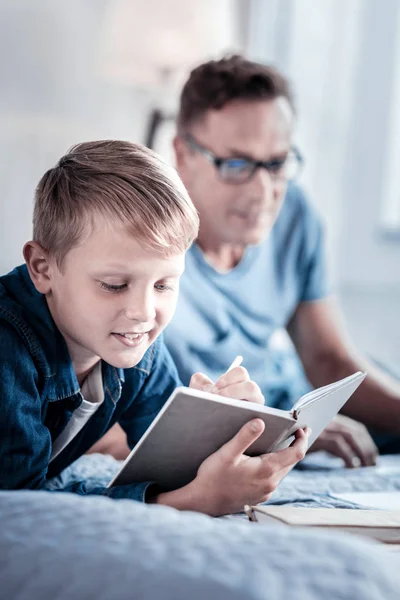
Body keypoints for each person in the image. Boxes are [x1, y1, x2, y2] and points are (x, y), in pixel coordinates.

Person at [0, 139, 310, 516]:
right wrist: (191, 502)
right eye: (114, 285)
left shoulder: (136, 348)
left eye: (164, 285)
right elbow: (18, 507)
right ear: (43, 269)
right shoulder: (8, 345)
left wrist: (213, 428)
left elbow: (171, 466)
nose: (143, 312)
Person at [162, 55, 400, 469]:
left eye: (275, 164)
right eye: (235, 164)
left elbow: (327, 359)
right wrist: (281, 428)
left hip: (303, 407)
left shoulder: (295, 214)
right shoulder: (147, 249)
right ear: (182, 154)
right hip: (254, 429)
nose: (262, 192)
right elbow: (143, 416)